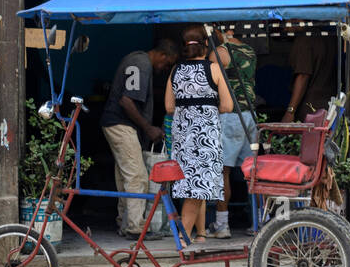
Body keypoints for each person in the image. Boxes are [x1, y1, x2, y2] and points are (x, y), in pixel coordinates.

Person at [100, 38, 178, 237]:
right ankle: (135, 227)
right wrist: (148, 128)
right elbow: (126, 100)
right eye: (167, 64)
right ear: (162, 55)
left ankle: (124, 223)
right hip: (121, 125)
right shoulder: (141, 64)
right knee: (138, 176)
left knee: (125, 177)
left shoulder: (137, 59)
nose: (164, 69)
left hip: (114, 123)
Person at [165, 25, 233, 248]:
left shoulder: (175, 70)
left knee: (190, 188)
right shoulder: (213, 69)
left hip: (183, 137)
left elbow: (168, 106)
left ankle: (193, 235)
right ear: (206, 44)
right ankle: (183, 240)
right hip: (206, 137)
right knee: (198, 189)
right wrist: (207, 106)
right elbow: (227, 105)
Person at [206, 26, 258, 238]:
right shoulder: (250, 51)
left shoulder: (219, 52)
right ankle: (257, 223)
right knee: (251, 172)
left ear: (220, 30)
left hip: (228, 115)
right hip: (249, 116)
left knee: (222, 171)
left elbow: (210, 84)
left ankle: (221, 223)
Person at [280, 23, 336, 124]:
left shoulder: (304, 40)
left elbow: (303, 75)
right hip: (328, 106)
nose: (283, 27)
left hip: (310, 109)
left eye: (285, 21)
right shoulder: (328, 36)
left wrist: (290, 111)